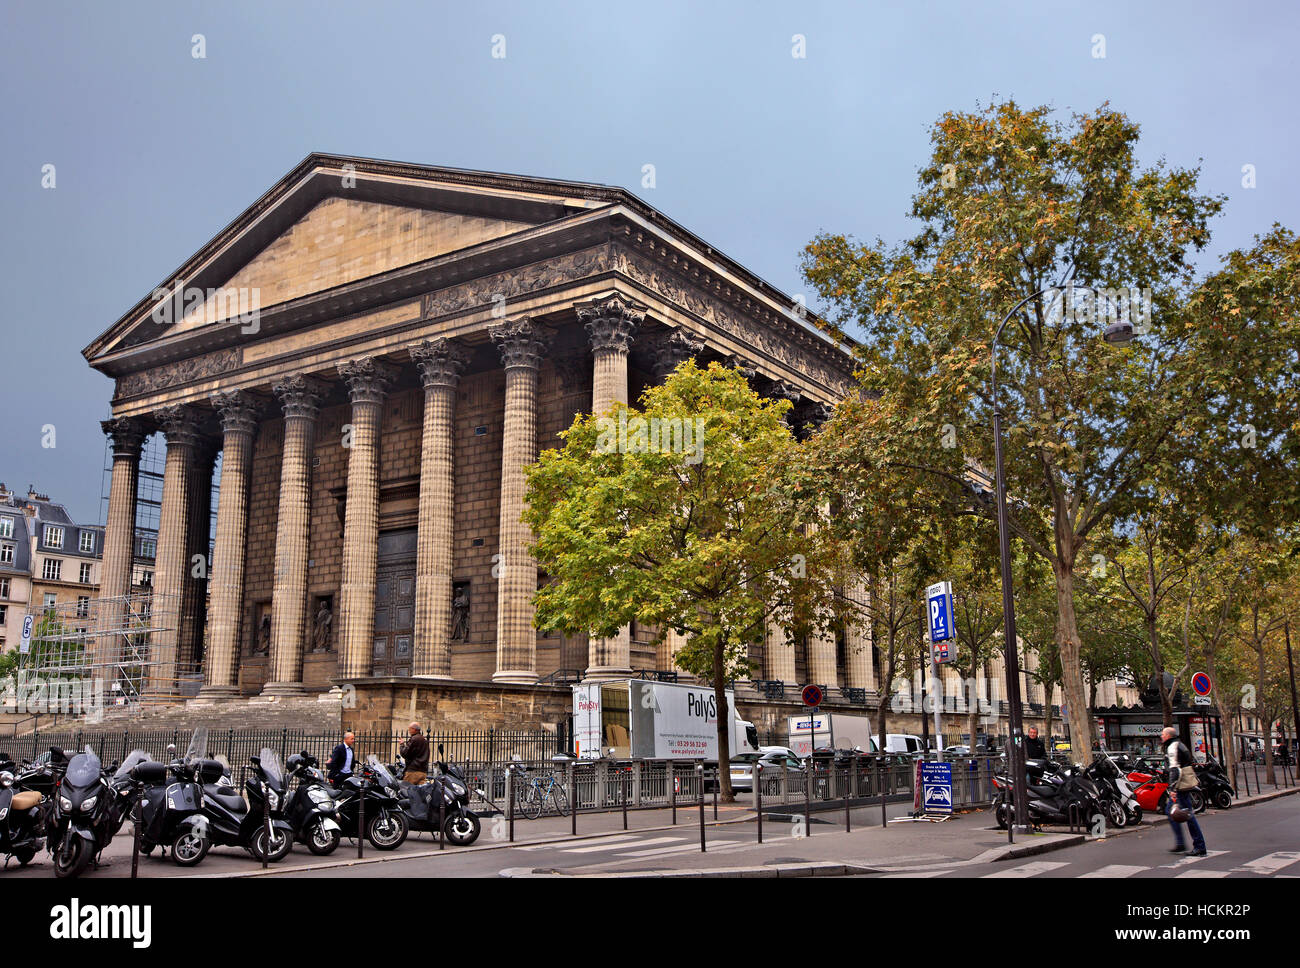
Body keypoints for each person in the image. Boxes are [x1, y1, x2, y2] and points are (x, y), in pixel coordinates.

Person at [1162, 726, 1207, 857]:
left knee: (1188, 815)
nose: (1161, 737)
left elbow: (1175, 769)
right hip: (1183, 783)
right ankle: (1181, 843)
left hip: (1180, 785)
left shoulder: (1172, 747)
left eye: (1163, 735)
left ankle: (1199, 846)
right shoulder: (1179, 744)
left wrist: (1172, 789)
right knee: (1172, 812)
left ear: (1168, 736)